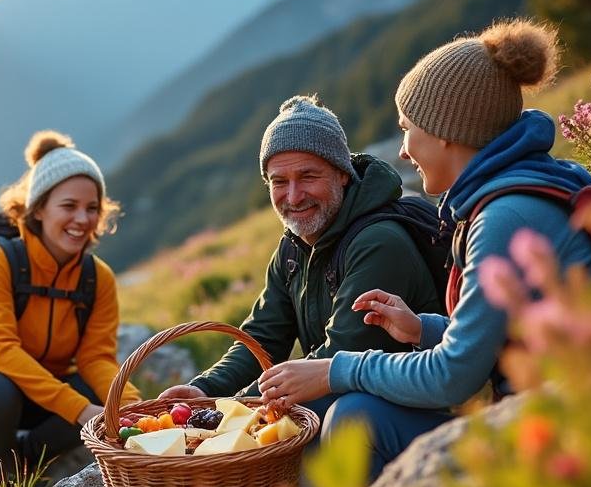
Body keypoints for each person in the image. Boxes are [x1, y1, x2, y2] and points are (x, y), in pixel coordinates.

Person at [256, 19, 591, 481]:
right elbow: (506, 335)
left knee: (355, 418)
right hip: (555, 408)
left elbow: (454, 376)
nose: (403, 150)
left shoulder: (503, 218)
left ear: (445, 132)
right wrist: (423, 329)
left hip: (568, 431)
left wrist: (338, 370)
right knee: (356, 414)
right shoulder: (512, 197)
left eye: (407, 128)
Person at [158, 95, 443, 423]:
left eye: (308, 176)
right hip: (347, 408)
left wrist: (228, 413)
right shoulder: (293, 249)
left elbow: (336, 358)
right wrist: (206, 389)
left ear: (342, 173)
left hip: (405, 415)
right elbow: (263, 338)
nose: (293, 197)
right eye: (279, 182)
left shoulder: (379, 243)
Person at [0, 131, 138, 485]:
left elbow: (96, 359)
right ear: (39, 208)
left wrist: (133, 406)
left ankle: (21, 459)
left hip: (44, 395)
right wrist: (79, 410)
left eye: (92, 208)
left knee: (103, 395)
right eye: (69, 206)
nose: (83, 219)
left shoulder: (98, 279)